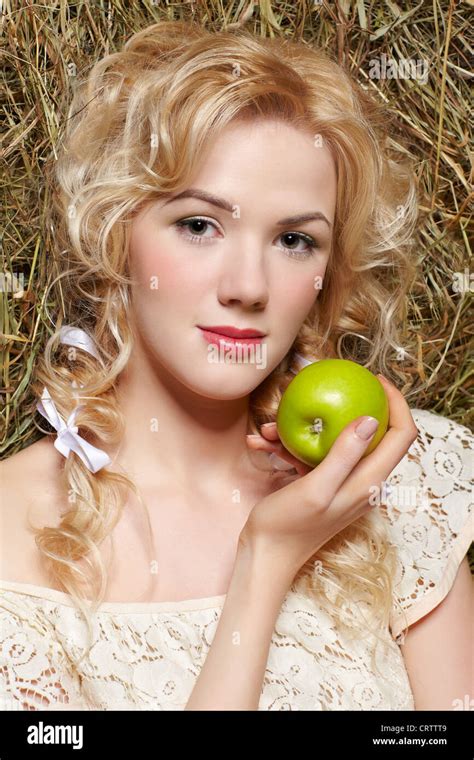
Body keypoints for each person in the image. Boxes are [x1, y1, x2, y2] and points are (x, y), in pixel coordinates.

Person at [0, 20, 471, 712]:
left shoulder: (393, 483)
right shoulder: (13, 537)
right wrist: (266, 562)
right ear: (116, 233)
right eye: (199, 224)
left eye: (293, 239)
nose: (248, 286)